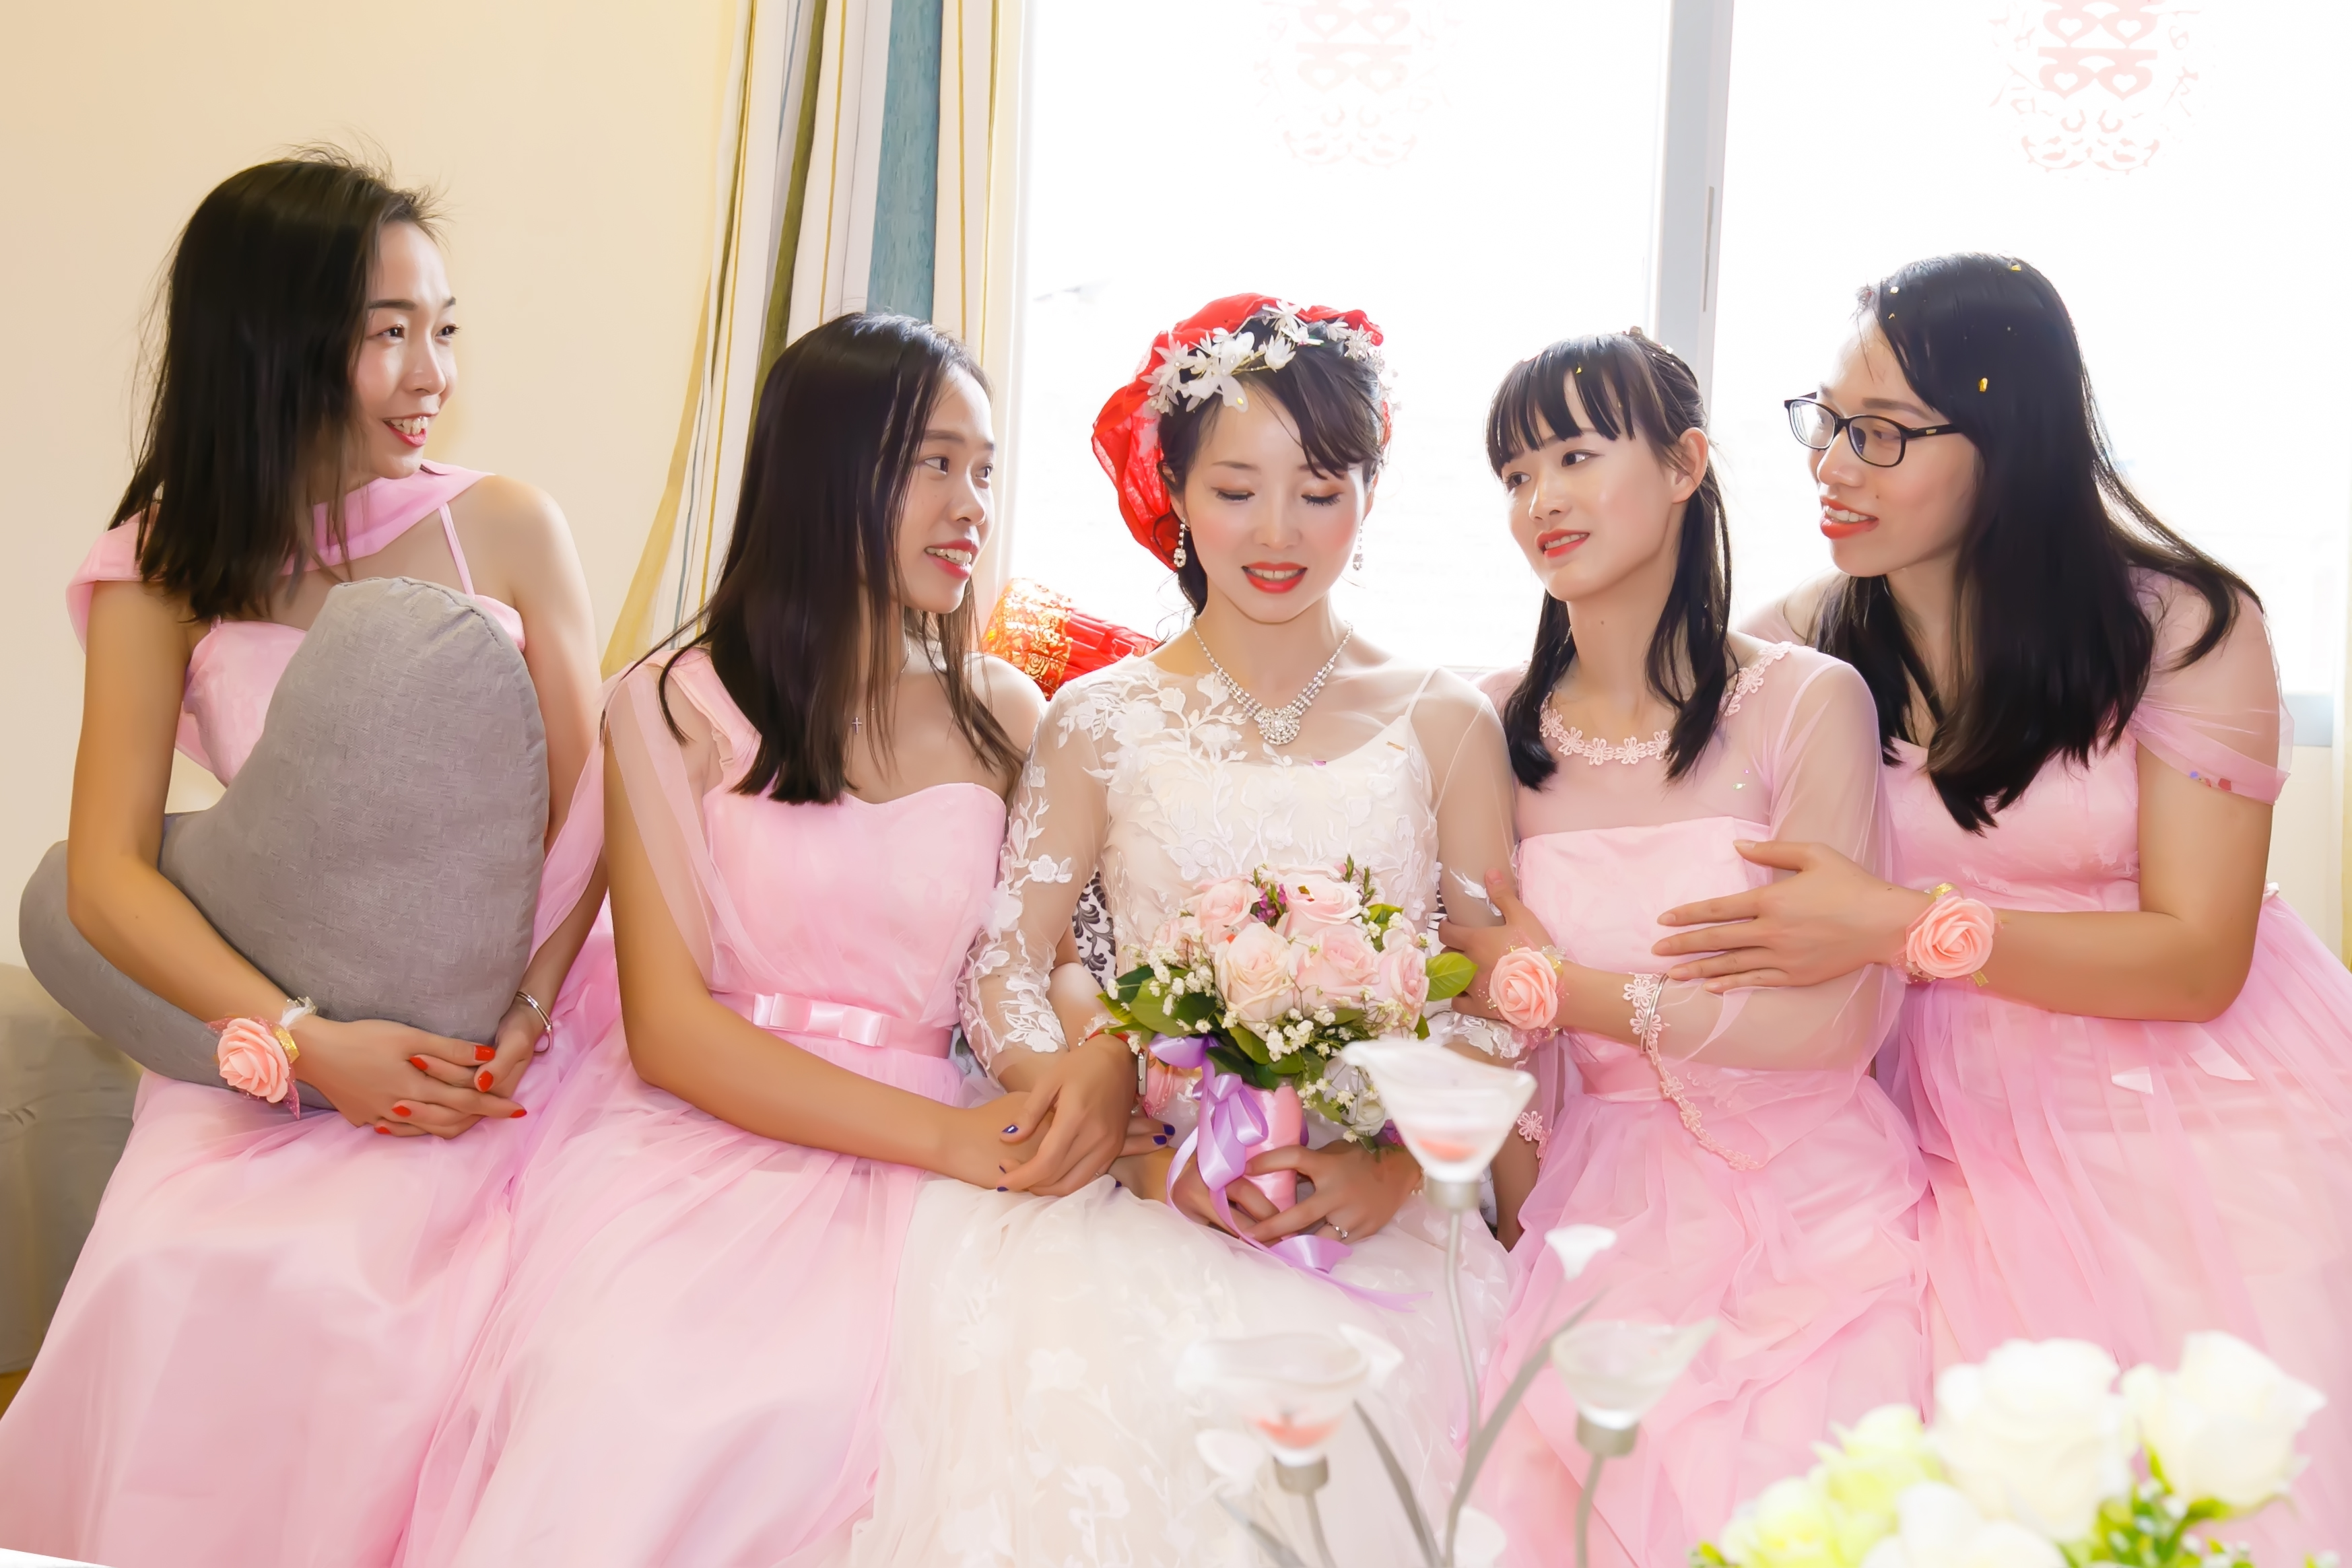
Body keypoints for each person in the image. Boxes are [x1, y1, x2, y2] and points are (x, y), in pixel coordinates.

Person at [1658, 253, 2349, 1556]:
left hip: (2183, 1087)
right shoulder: (1802, 645)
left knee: (2203, 1472)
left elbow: (2197, 959)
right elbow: (1631, 750)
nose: (1831, 467)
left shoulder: (2183, 626)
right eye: (1825, 421)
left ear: (2009, 440)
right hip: (1929, 1097)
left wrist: (1896, 923)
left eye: (1880, 434)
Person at [839, 295, 1520, 1567]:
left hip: (1370, 1206)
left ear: (1370, 493)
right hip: (1145, 1189)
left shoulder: (1445, 721)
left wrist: (1387, 1170)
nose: (1277, 533)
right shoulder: (1099, 718)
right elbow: (1007, 964)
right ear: (1177, 494)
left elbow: (1489, 1002)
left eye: (1319, 491)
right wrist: (1113, 1111)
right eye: (1236, 490)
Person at [0, 152, 607, 1566]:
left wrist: (520, 1016)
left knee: (467, 1329)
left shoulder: (504, 526)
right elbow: (105, 877)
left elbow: (595, 821)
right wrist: (307, 1044)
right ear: (273, 341)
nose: (431, 372)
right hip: (270, 1046)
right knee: (187, 1277)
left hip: (507, 1040)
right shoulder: (163, 567)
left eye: (444, 328)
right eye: (388, 331)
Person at [397, 312, 1069, 1566]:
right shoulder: (676, 701)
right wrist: (942, 1138)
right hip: (716, 1135)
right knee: (651, 1402)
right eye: (933, 461)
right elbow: (669, 1030)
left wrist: (1065, 1082)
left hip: (956, 1150)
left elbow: (1039, 965)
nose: (970, 503)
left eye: (984, 468)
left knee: (968, 1415)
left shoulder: (1008, 714)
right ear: (826, 468)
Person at [1444, 331, 1924, 1566]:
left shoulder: (1805, 700)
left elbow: (1832, 1026)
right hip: (1583, 1197)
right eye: (1513, 474)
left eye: (1574, 455)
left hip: (1806, 1198)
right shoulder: (1484, 722)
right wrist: (1520, 1213)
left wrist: (1564, 988)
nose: (1540, 499)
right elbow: (1488, 1022)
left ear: (1682, 465)